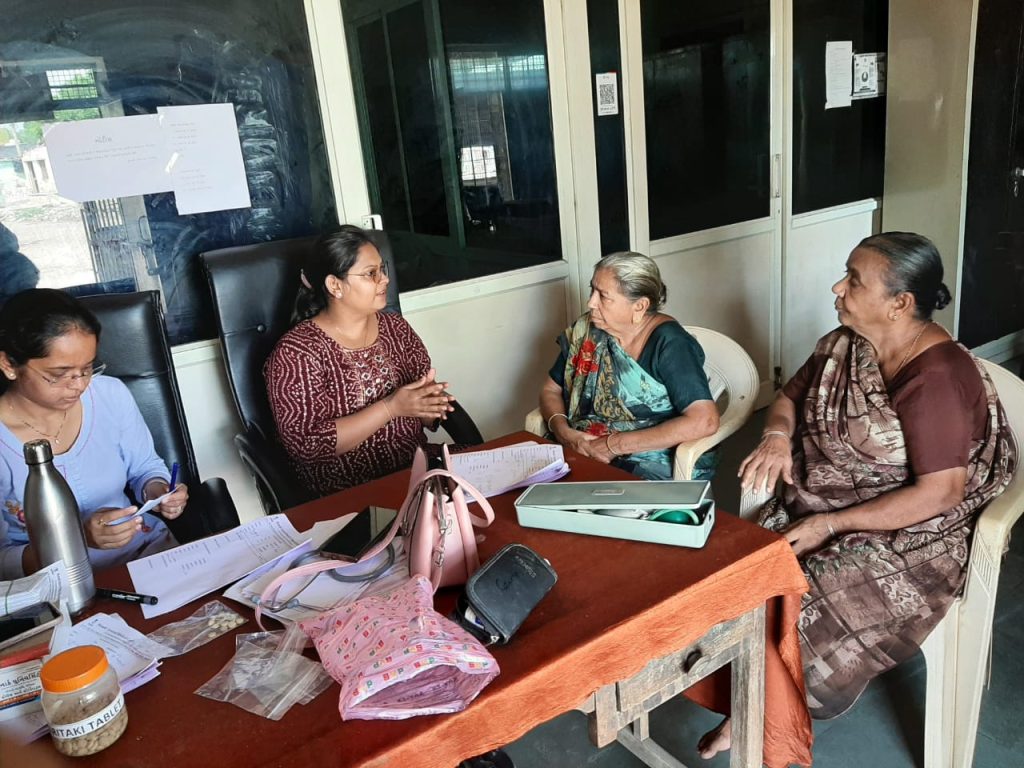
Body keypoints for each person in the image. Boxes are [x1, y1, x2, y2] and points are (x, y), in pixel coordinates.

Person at [697, 232, 1016, 759]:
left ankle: (767, 716)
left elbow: (940, 493)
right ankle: (747, 690)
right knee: (746, 562)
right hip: (827, 500)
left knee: (808, 592)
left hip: (917, 533)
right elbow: (789, 397)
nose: (837, 288)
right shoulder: (846, 343)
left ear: (900, 304)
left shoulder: (935, 377)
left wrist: (829, 525)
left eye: (853, 280)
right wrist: (776, 436)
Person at [0, 289, 188, 579]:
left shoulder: (109, 395)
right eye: (59, 374)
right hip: (55, 585)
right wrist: (77, 540)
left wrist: (159, 491)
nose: (79, 385)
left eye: (87, 368)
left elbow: (144, 467)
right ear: (9, 365)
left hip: (144, 554)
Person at [264, 226, 455, 496]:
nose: (385, 279)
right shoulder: (297, 352)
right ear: (335, 285)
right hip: (346, 491)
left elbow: (423, 411)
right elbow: (307, 445)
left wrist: (428, 406)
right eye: (370, 273)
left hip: (414, 469)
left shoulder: (395, 328)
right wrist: (391, 408)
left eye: (382, 269)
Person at [538, 251, 719, 480]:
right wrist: (564, 433)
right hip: (580, 448)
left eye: (603, 296)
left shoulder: (670, 343)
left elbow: (704, 420)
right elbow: (550, 390)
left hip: (650, 459)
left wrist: (612, 445)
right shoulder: (586, 331)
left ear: (640, 306)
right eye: (592, 290)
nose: (591, 302)